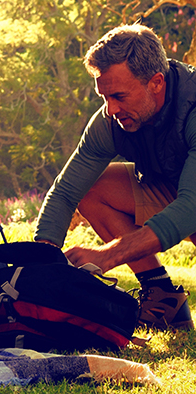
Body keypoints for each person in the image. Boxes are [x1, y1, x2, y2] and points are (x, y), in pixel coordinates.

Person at [34, 24, 196, 330]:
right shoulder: (111, 120)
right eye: (104, 96)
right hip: (177, 188)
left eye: (119, 96)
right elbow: (66, 191)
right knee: (92, 189)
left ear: (156, 83)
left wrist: (109, 256)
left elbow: (191, 208)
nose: (110, 109)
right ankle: (162, 297)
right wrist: (42, 263)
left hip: (193, 198)